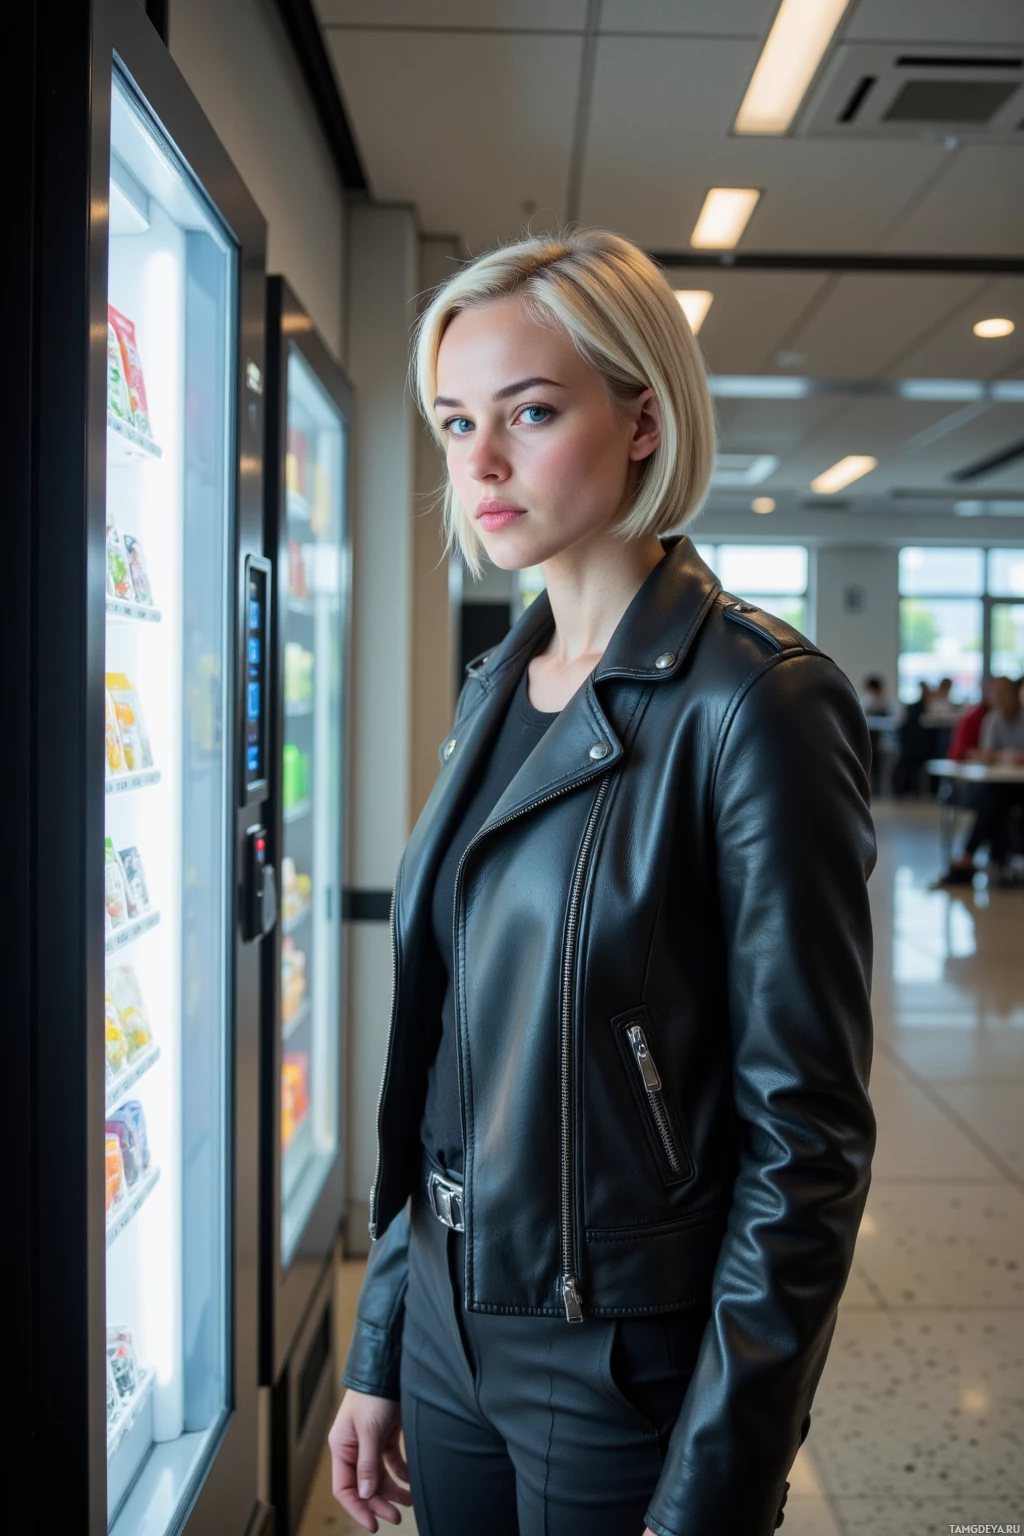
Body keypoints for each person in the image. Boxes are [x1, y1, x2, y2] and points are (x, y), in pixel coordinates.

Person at [327, 229, 876, 1536]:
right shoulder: (497, 691)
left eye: (529, 411)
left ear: (642, 419)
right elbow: (451, 1057)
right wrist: (387, 1338)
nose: (481, 465)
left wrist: (723, 1474)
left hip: (618, 1352)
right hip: (456, 1328)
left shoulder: (757, 704)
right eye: (457, 422)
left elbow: (807, 1142)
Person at [942, 676, 1024, 885]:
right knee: (995, 799)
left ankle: (969, 857)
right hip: (998, 785)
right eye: (998, 693)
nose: (1003, 698)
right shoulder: (992, 719)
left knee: (994, 801)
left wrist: (998, 755)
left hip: (1017, 786)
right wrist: (1004, 756)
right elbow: (986, 754)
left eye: (1007, 692)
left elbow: (988, 754)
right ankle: (998, 863)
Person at [858, 675, 894, 795]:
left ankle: (878, 789)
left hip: (881, 741)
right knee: (868, 764)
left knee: (879, 765)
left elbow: (891, 719)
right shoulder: (864, 701)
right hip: (867, 739)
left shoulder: (885, 703)